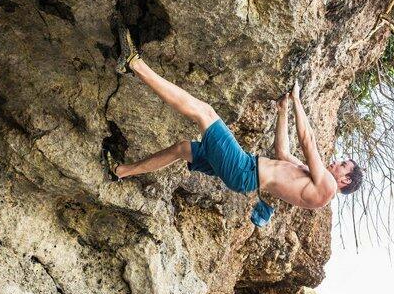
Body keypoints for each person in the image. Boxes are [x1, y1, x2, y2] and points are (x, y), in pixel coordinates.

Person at [107, 27, 362, 225]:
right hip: (245, 171)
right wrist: (283, 112)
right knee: (183, 149)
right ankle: (122, 171)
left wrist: (298, 101)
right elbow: (282, 154)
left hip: (244, 171)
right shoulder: (313, 178)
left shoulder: (326, 187)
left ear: (345, 179)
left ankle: (134, 64)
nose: (336, 163)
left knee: (205, 112)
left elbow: (308, 141)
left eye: (342, 165)